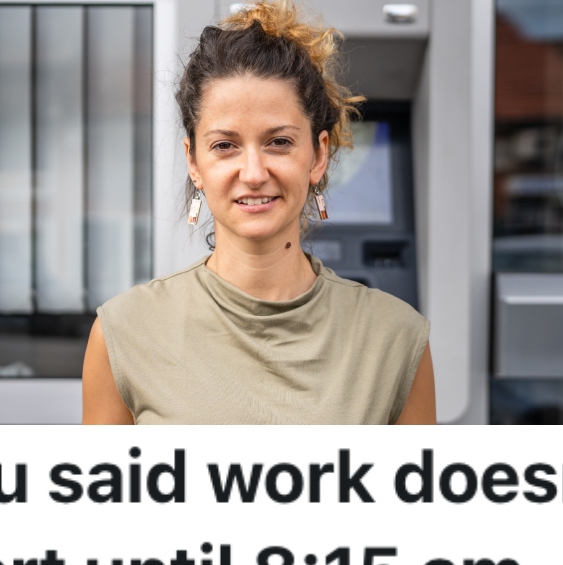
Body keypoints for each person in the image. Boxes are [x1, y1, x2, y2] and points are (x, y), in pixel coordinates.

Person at [83, 0, 434, 424]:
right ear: (194, 162)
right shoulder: (123, 333)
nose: (253, 173)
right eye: (225, 145)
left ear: (318, 155)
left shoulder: (397, 340)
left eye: (279, 142)